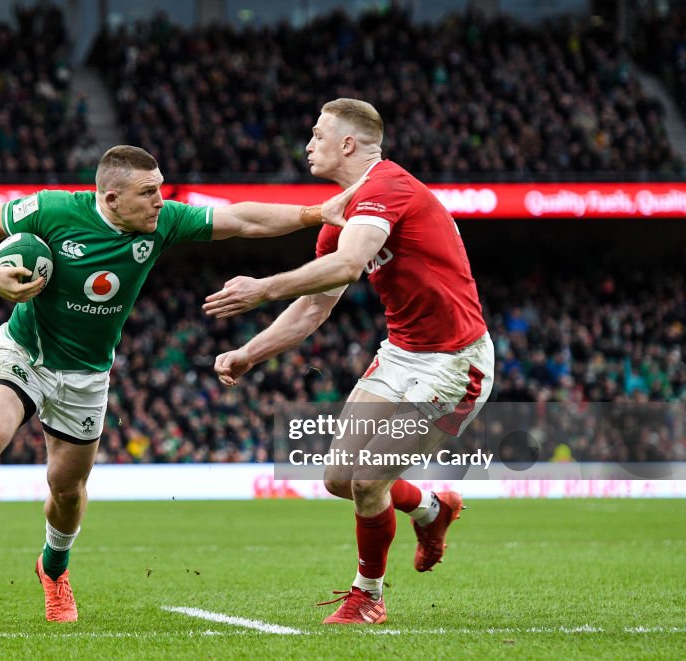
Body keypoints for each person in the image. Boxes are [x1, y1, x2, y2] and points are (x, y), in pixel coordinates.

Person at [0, 145, 364, 620]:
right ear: (112, 198)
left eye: (160, 189)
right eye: (148, 192)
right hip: (25, 350)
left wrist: (314, 213)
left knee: (67, 487)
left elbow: (240, 219)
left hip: (86, 374)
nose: (160, 200)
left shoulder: (163, 222)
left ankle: (54, 569)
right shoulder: (56, 209)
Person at [203, 99, 495, 625]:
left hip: (454, 362)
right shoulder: (340, 211)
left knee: (367, 481)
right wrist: (249, 354)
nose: (308, 144)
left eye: (317, 134)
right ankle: (433, 508)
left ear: (347, 144)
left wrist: (262, 288)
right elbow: (316, 306)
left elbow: (351, 263)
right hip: (402, 353)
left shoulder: (389, 188)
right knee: (340, 477)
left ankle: (368, 597)